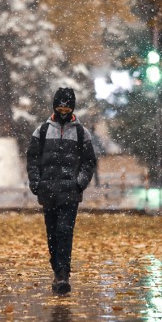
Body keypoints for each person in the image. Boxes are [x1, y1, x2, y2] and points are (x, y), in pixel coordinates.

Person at [26, 87, 97, 295]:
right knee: (52, 235)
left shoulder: (81, 132)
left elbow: (89, 161)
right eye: (60, 106)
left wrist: (80, 182)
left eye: (67, 106)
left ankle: (63, 274)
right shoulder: (42, 130)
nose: (63, 110)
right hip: (48, 193)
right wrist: (36, 182)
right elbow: (32, 158)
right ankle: (57, 270)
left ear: (73, 107)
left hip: (70, 193)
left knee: (65, 232)